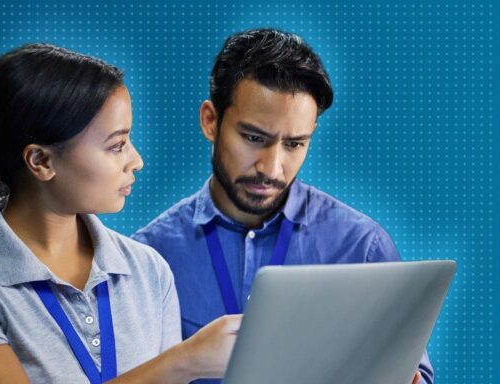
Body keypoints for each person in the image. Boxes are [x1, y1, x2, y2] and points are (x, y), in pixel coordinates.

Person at [0, 43, 239, 384]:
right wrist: (182, 362)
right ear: (41, 161)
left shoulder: (148, 270)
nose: (136, 161)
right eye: (116, 145)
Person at [131, 28, 433, 384]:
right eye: (254, 138)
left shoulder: (362, 247)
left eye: (294, 144)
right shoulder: (147, 257)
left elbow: (413, 373)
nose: (272, 169)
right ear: (210, 121)